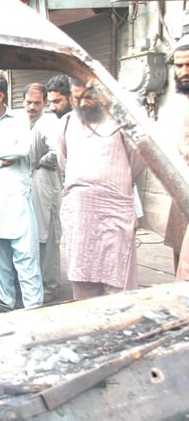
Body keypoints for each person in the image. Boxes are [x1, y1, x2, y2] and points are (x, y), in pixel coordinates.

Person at [58, 78, 145, 299]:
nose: (83, 103)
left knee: (118, 283)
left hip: (114, 212)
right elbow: (64, 161)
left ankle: (122, 332)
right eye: (77, 98)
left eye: (89, 97)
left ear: (102, 94)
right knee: (83, 277)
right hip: (80, 215)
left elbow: (138, 161)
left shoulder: (122, 121)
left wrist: (109, 187)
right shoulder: (67, 122)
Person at [0, 74, 43, 309]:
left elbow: (22, 150)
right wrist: (1, 160)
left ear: (0, 96)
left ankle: (33, 308)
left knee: (26, 257)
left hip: (17, 199)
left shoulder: (18, 118)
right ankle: (6, 305)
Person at [23, 83, 63, 303]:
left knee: (48, 237)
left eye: (37, 103)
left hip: (46, 185)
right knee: (34, 236)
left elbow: (58, 153)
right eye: (28, 102)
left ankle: (52, 286)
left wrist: (41, 161)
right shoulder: (24, 122)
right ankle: (37, 282)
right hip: (30, 186)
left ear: (45, 103)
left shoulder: (48, 122)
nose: (32, 106)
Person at [169, 34, 189, 281]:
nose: (184, 71)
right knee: (179, 251)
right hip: (180, 184)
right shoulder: (179, 100)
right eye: (179, 65)